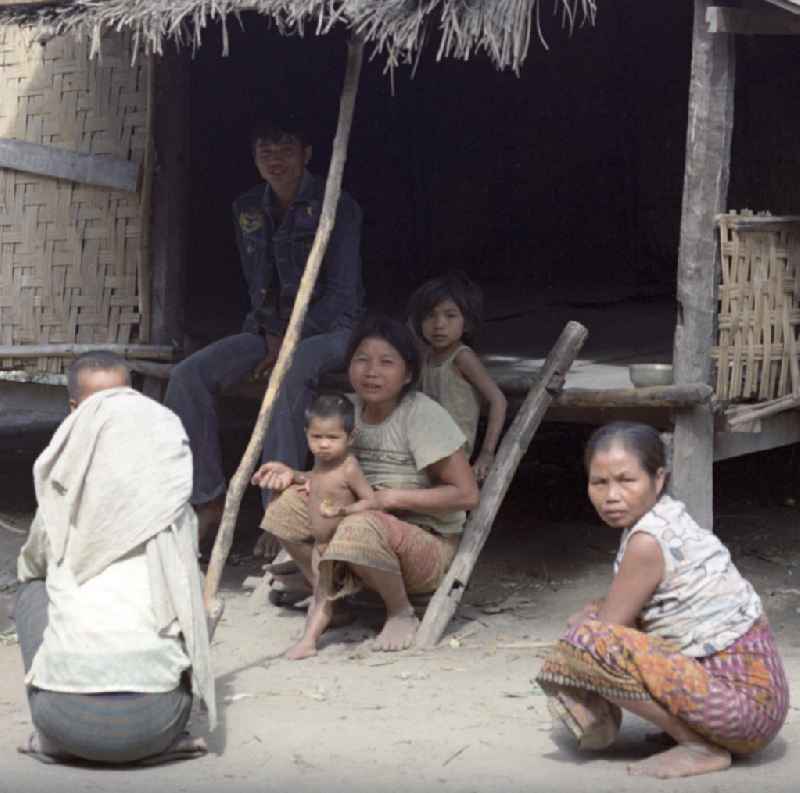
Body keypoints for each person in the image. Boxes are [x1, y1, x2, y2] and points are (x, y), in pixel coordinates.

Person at [536, 422, 788, 780]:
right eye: (599, 482)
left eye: (626, 480)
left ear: (658, 479)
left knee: (584, 643)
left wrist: (579, 640)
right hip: (758, 706)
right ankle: (688, 731)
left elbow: (604, 636)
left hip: (743, 713)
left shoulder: (647, 542)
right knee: (591, 620)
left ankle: (700, 746)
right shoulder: (665, 517)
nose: (611, 495)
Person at [164, 115, 364, 540]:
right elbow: (256, 284)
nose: (275, 161)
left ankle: (279, 514)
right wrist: (271, 334)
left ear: (307, 154)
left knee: (291, 370)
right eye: (265, 153)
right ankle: (208, 499)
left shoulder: (337, 205)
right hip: (268, 331)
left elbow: (342, 295)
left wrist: (290, 339)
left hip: (332, 329)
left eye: (286, 150)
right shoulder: (247, 208)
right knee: (187, 376)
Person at [13, 352, 215, 765]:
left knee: (30, 587)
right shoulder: (170, 498)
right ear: (76, 410)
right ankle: (165, 744)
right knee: (181, 585)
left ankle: (52, 740)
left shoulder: (61, 494)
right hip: (159, 724)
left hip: (61, 722)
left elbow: (31, 565)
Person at [252, 315, 480, 652]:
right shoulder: (347, 411)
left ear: (408, 374)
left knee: (360, 524)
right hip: (358, 533)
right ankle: (333, 599)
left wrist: (388, 498)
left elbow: (467, 494)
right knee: (283, 508)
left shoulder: (422, 416)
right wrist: (294, 476)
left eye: (387, 362)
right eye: (362, 359)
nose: (372, 371)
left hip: (423, 546)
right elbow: (332, 476)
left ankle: (400, 612)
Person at [269, 393, 375, 660]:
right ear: (307, 434)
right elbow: (317, 481)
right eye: (317, 438)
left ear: (350, 438)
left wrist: (345, 510)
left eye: (332, 438)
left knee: (323, 597)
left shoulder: (349, 467)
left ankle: (309, 641)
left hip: (338, 546)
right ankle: (312, 634)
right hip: (320, 545)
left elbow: (370, 499)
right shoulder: (320, 463)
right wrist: (295, 478)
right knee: (320, 594)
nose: (324, 444)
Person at [407, 271, 506, 482]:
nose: (439, 324)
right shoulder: (426, 357)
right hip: (426, 447)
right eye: (429, 315)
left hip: (452, 454)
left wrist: (487, 453)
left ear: (467, 323)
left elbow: (498, 400)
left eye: (450, 315)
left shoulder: (462, 358)